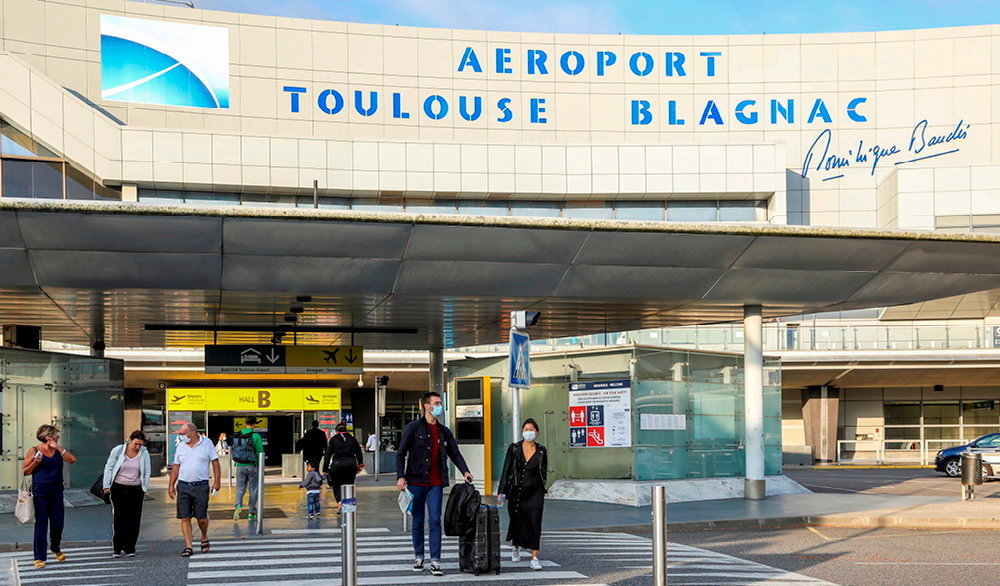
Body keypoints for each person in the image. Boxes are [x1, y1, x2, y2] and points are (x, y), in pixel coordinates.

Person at [396, 391, 473, 577]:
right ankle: (419, 556)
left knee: (435, 521)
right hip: (415, 482)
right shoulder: (413, 428)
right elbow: (400, 454)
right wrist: (400, 476)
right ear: (426, 406)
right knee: (417, 521)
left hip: (436, 484)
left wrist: (465, 471)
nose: (440, 406)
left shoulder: (444, 431)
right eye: (437, 403)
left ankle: (436, 561)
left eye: (440, 403)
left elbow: (455, 453)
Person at [22, 424, 76, 569]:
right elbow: (25, 471)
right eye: (56, 435)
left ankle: (55, 547)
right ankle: (39, 557)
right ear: (49, 437)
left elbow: (72, 460)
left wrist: (57, 447)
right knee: (41, 524)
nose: (58, 437)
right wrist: (35, 462)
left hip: (57, 490)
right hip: (40, 491)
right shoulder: (34, 450)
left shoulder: (59, 451)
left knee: (58, 523)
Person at [498, 418, 548, 571]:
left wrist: (542, 488)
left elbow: (543, 471)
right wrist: (502, 491)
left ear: (537, 432)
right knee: (517, 520)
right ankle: (516, 546)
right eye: (526, 429)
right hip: (516, 491)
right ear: (522, 432)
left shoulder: (541, 451)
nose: (528, 432)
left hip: (535, 493)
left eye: (531, 429)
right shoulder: (514, 449)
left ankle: (534, 557)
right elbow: (506, 470)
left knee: (534, 522)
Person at [168, 422, 220, 557]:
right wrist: (171, 485)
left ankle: (203, 536)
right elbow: (176, 466)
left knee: (201, 517)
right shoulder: (181, 446)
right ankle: (188, 546)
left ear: (192, 433)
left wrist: (217, 481)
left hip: (201, 485)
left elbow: (215, 463)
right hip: (184, 485)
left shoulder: (207, 443)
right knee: (185, 517)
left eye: (183, 434)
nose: (181, 436)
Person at [102, 430, 152, 558]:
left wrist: (144, 487)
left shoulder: (144, 453)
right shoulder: (118, 450)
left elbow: (147, 471)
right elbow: (109, 467)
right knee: (119, 518)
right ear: (130, 440)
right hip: (119, 487)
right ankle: (117, 547)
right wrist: (107, 485)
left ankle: (130, 547)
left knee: (134, 519)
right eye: (135, 444)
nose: (137, 447)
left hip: (136, 488)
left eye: (140, 444)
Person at [322, 422, 364, 509]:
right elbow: (359, 452)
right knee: (349, 484)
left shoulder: (333, 439)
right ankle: (348, 506)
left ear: (336, 431)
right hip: (351, 463)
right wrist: (360, 463)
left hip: (337, 464)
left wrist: (325, 469)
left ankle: (339, 502)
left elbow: (328, 455)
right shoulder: (352, 439)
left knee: (336, 484)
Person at [232, 416, 264, 521]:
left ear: (245, 423)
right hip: (252, 465)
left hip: (240, 465)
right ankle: (251, 513)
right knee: (253, 489)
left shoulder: (238, 434)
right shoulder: (256, 436)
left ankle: (238, 506)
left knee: (240, 488)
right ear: (254, 424)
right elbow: (260, 451)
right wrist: (259, 465)